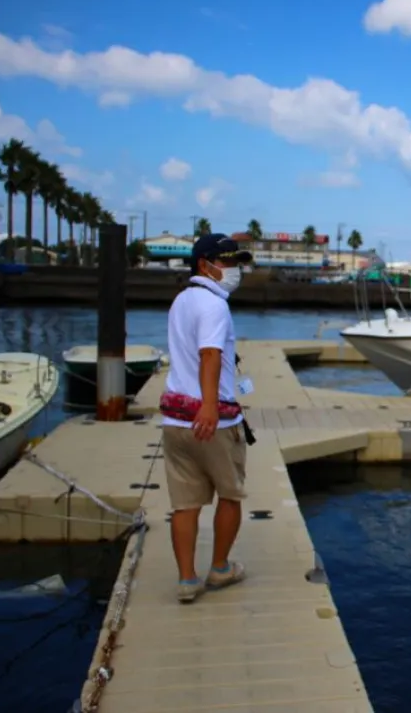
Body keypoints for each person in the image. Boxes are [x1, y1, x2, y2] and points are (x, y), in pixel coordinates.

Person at [158, 233, 253, 603]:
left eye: (236, 262)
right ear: (205, 264)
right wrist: (210, 406)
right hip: (214, 422)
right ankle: (219, 568)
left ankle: (186, 581)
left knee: (185, 503)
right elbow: (210, 355)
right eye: (227, 262)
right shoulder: (215, 306)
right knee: (230, 495)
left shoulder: (181, 300)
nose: (233, 270)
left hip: (176, 422)